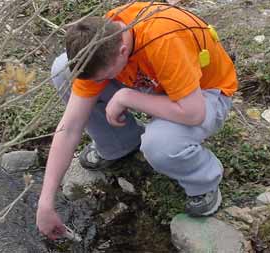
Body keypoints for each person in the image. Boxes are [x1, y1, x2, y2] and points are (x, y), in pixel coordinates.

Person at [36, 2, 238, 239]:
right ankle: (119, 144)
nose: (106, 80)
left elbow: (194, 113)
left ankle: (203, 181)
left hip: (204, 95)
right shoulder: (101, 41)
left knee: (160, 144)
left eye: (108, 76)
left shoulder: (163, 40)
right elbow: (70, 127)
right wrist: (45, 202)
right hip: (157, 85)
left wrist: (126, 96)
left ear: (123, 51)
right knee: (63, 70)